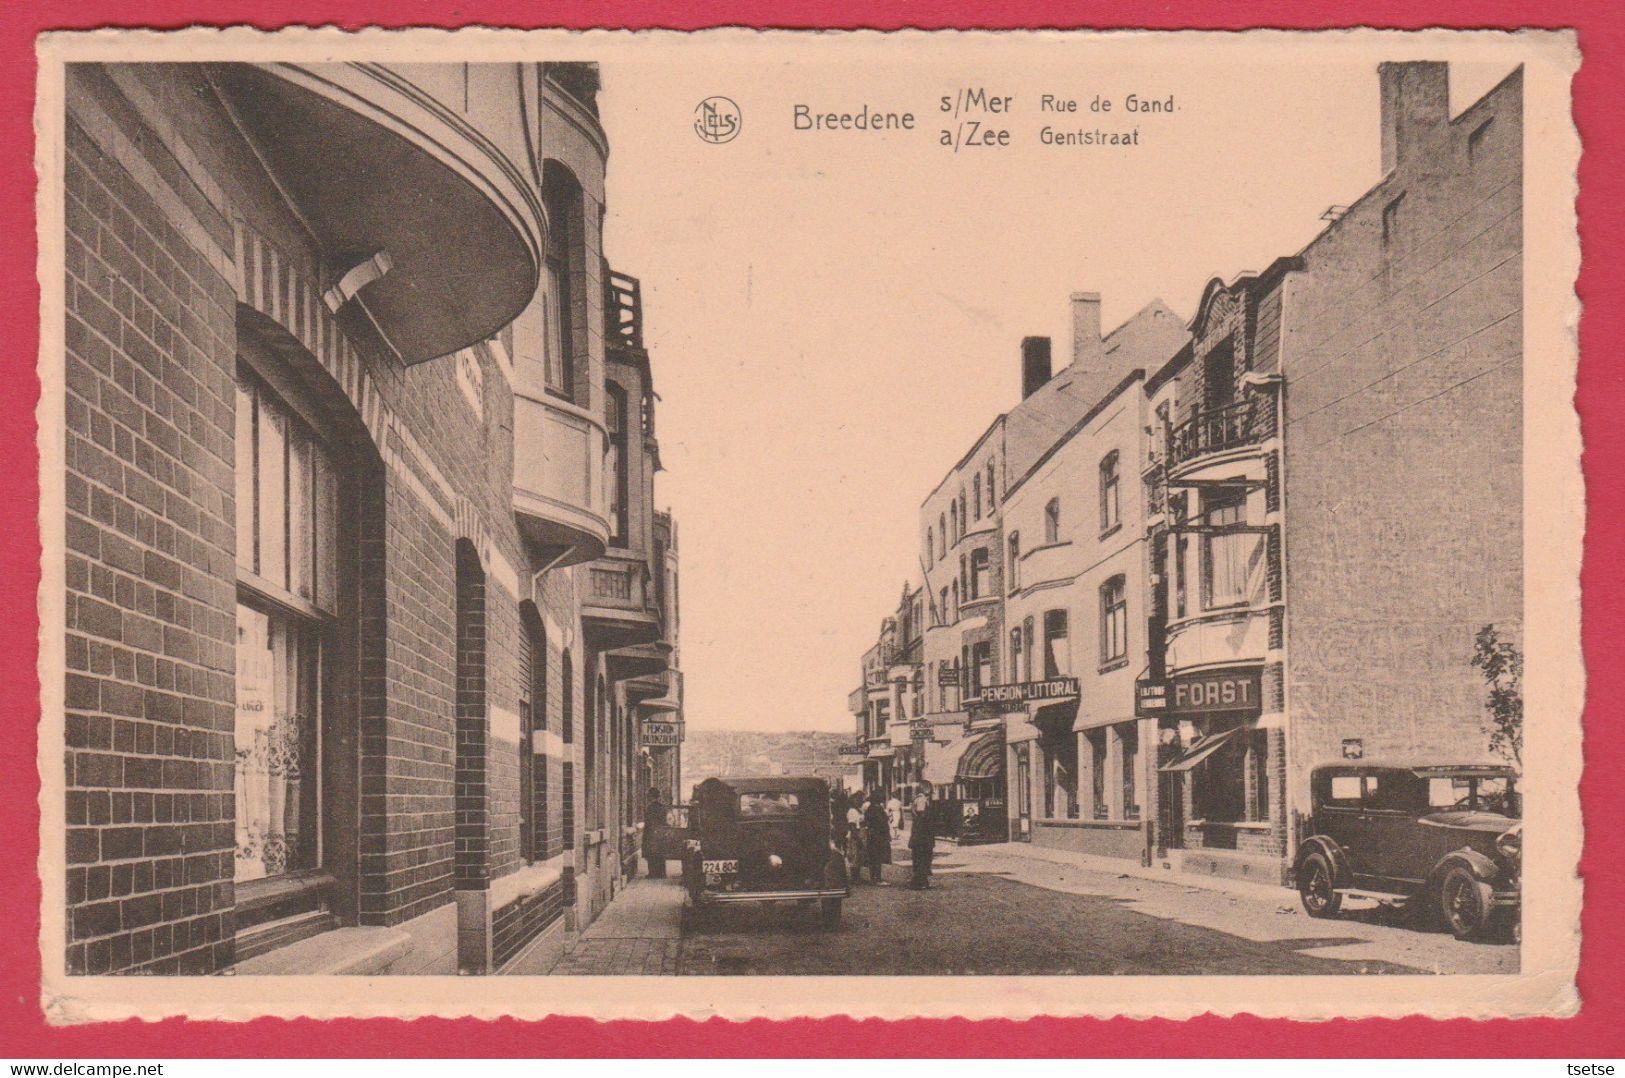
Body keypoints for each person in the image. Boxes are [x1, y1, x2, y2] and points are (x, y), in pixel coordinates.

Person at [908, 785, 937, 889]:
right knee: (922, 857)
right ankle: (919, 882)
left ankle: (922, 881)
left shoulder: (920, 799)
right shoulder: (921, 800)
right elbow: (921, 816)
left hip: (921, 833)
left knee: (922, 857)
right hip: (922, 834)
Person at [862, 789, 893, 885]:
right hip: (878, 835)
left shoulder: (871, 808)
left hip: (873, 834)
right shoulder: (877, 808)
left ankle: (873, 878)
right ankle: (877, 879)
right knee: (877, 857)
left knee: (874, 857)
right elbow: (881, 823)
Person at [642, 786, 667, 878]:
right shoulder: (662, 807)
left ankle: (653, 873)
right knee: (660, 853)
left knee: (651, 853)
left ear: (651, 796)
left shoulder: (650, 807)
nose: (647, 797)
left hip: (651, 834)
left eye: (649, 795)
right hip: (661, 833)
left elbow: (649, 822)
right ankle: (662, 873)